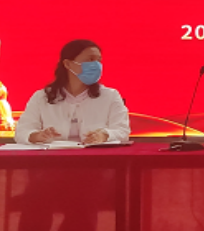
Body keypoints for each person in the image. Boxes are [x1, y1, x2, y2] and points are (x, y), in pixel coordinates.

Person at [14, 39, 130, 231]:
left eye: (99, 60)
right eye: (90, 59)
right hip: (50, 169)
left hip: (94, 171)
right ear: (68, 64)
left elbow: (122, 131)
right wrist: (37, 135)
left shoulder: (110, 96)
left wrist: (104, 135)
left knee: (83, 198)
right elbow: (22, 131)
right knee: (36, 196)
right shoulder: (42, 96)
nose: (96, 65)